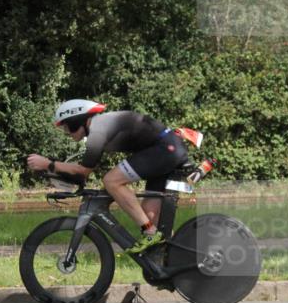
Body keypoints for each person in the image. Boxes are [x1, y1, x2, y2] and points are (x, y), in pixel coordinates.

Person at [25, 99, 188, 254]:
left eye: (67, 127)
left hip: (165, 150)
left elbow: (83, 171)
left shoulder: (98, 129)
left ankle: (149, 232)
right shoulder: (100, 126)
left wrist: (48, 164)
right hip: (166, 149)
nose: (67, 133)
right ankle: (174, 260)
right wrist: (53, 169)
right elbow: (84, 172)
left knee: (112, 181)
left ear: (77, 120)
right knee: (150, 213)